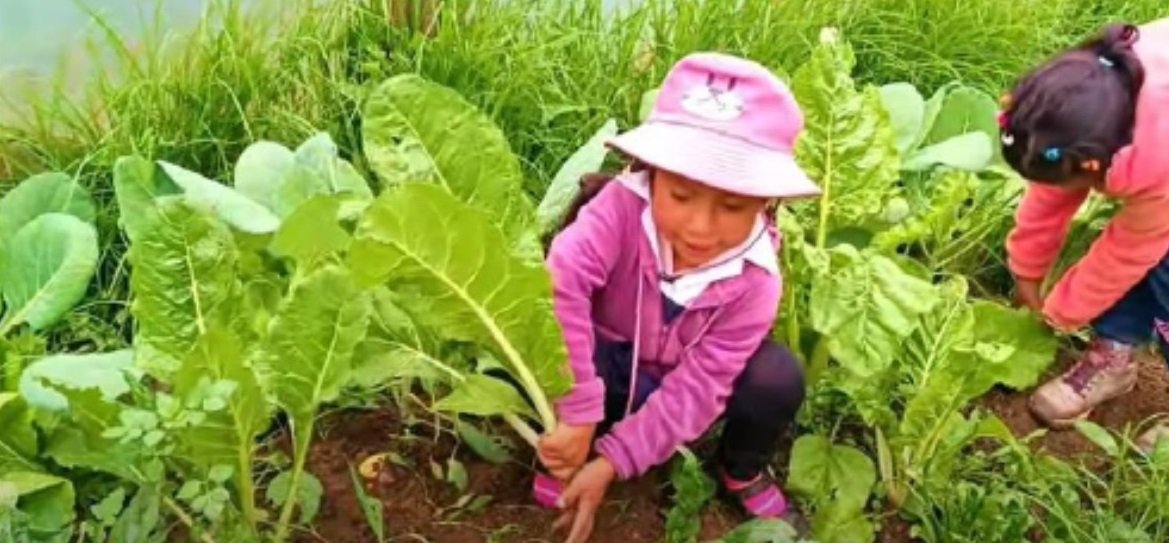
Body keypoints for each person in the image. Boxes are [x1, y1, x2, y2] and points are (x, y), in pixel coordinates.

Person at [535, 51, 820, 543]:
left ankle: (741, 470)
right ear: (651, 171)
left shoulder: (757, 281)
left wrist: (612, 463)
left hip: (671, 383)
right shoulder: (620, 208)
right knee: (547, 334)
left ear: (767, 201)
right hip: (601, 362)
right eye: (681, 196)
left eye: (732, 206)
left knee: (776, 377)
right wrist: (577, 410)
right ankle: (567, 438)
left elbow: (700, 385)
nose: (700, 227)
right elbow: (561, 283)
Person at [999, 20, 1169, 452]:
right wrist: (1027, 270)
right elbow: (1051, 190)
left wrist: (1062, 311)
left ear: (1094, 165)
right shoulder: (1078, 110)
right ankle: (1114, 355)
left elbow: (1129, 251)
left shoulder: (1156, 154)